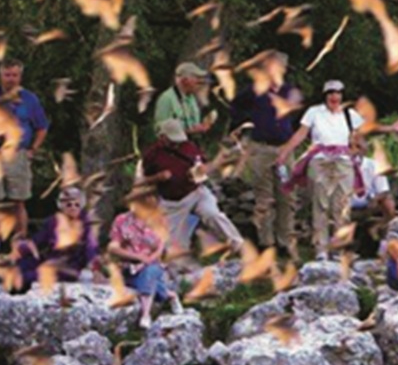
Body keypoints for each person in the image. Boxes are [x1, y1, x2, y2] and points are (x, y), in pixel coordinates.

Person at [274, 80, 364, 257]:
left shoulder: (349, 114)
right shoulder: (314, 112)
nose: (334, 96)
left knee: (342, 206)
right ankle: (321, 248)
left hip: (343, 160)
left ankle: (339, 248)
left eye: (338, 93)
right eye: (331, 93)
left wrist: (358, 150)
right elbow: (301, 134)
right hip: (320, 158)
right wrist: (285, 152)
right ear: (325, 95)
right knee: (320, 204)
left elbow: (359, 139)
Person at [0, 58, 50, 252]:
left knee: (19, 198)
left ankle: (20, 240)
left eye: (15, 75)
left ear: (20, 76)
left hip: (17, 153)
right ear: (0, 75)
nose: (11, 79)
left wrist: (33, 149)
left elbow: (41, 127)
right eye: (7, 75)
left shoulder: (30, 99)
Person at [228, 54, 302, 254]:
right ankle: (266, 242)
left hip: (285, 149)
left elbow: (297, 116)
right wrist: (248, 122)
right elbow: (235, 105)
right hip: (261, 147)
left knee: (287, 197)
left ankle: (284, 241)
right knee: (264, 197)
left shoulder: (290, 91)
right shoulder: (255, 89)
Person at [143, 119, 244, 254]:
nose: (176, 144)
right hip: (173, 202)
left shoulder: (189, 147)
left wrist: (202, 170)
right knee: (172, 245)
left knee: (212, 214)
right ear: (163, 137)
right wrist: (159, 177)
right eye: (173, 140)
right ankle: (181, 257)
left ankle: (238, 245)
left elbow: (202, 166)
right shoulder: (152, 155)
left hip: (196, 192)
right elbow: (145, 179)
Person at [11, 187, 101, 293]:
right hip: (49, 260)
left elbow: (91, 248)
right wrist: (22, 247)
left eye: (77, 205)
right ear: (61, 206)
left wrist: (96, 270)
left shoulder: (85, 224)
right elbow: (38, 240)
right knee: (22, 264)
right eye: (69, 204)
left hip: (67, 267)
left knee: (28, 276)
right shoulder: (53, 222)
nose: (73, 208)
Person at [108, 204, 181, 327]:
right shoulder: (121, 220)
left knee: (149, 272)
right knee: (151, 287)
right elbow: (114, 248)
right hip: (129, 266)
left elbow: (159, 249)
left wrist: (143, 262)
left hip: (153, 264)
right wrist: (137, 258)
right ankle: (171, 295)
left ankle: (145, 315)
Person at [348, 152, 396, 256]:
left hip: (370, 203)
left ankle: (386, 232)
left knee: (388, 202)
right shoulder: (340, 165)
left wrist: (374, 200)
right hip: (347, 204)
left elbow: (383, 191)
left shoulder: (373, 165)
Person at [154, 62, 217, 137]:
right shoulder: (166, 99)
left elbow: (193, 125)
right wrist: (188, 132)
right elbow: (161, 131)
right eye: (197, 78)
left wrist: (201, 127)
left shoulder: (191, 98)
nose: (201, 82)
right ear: (185, 81)